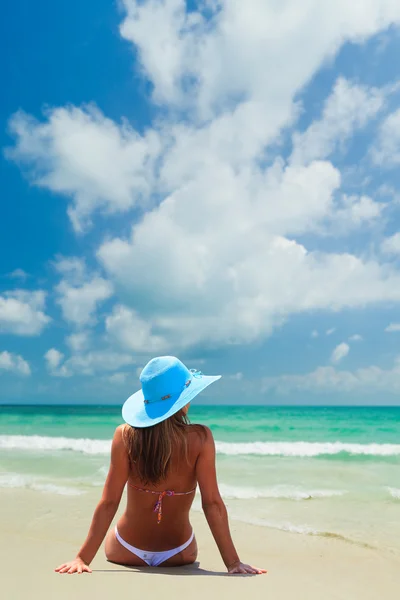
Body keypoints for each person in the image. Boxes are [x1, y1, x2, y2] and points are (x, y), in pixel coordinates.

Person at [55, 356, 266, 575]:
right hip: (178, 553)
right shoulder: (201, 438)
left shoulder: (125, 436)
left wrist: (82, 558)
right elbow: (212, 504)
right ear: (183, 401)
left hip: (125, 550)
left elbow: (109, 502)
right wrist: (233, 562)